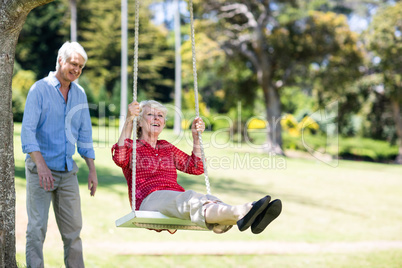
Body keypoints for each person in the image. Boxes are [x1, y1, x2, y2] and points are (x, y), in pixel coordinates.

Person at [112, 100, 281, 234]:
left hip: (174, 198)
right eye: (150, 114)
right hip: (149, 200)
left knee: (204, 198)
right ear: (139, 122)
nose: (157, 118)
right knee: (190, 198)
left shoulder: (167, 147)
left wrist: (195, 138)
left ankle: (248, 215)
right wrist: (128, 120)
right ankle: (245, 211)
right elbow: (120, 158)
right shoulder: (131, 146)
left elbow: (196, 167)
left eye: (161, 116)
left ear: (163, 123)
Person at [21, 41, 98, 268]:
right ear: (60, 61)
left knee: (73, 232)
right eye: (74, 64)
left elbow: (85, 134)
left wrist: (92, 170)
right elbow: (27, 133)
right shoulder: (39, 90)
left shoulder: (80, 94)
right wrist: (42, 166)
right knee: (37, 229)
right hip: (39, 171)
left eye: (81, 66)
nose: (77, 70)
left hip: (67, 172)